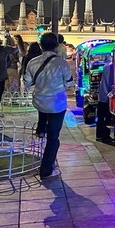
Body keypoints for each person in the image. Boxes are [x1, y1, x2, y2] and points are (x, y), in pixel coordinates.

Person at [23, 33, 74, 180]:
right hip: (57, 104)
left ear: (41, 46)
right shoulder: (62, 63)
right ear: (56, 46)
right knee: (53, 138)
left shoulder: (32, 62)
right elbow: (69, 83)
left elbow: (27, 82)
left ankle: (41, 130)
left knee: (45, 125)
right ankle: (46, 169)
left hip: (39, 102)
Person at [96, 54, 115, 142]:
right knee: (107, 119)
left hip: (102, 97)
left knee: (101, 118)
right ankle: (104, 136)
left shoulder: (106, 67)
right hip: (108, 98)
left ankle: (100, 135)